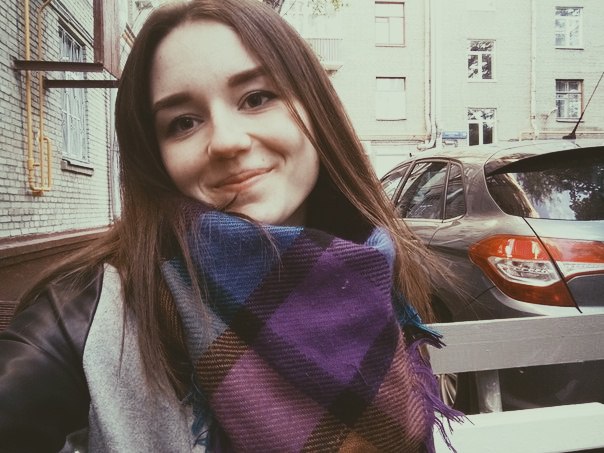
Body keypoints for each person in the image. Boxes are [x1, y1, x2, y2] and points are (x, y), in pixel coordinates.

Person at [0, 0, 462, 451]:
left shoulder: (373, 269)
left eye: (256, 98)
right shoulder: (85, 315)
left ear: (314, 107)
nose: (225, 141)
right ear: (155, 157)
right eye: (183, 123)